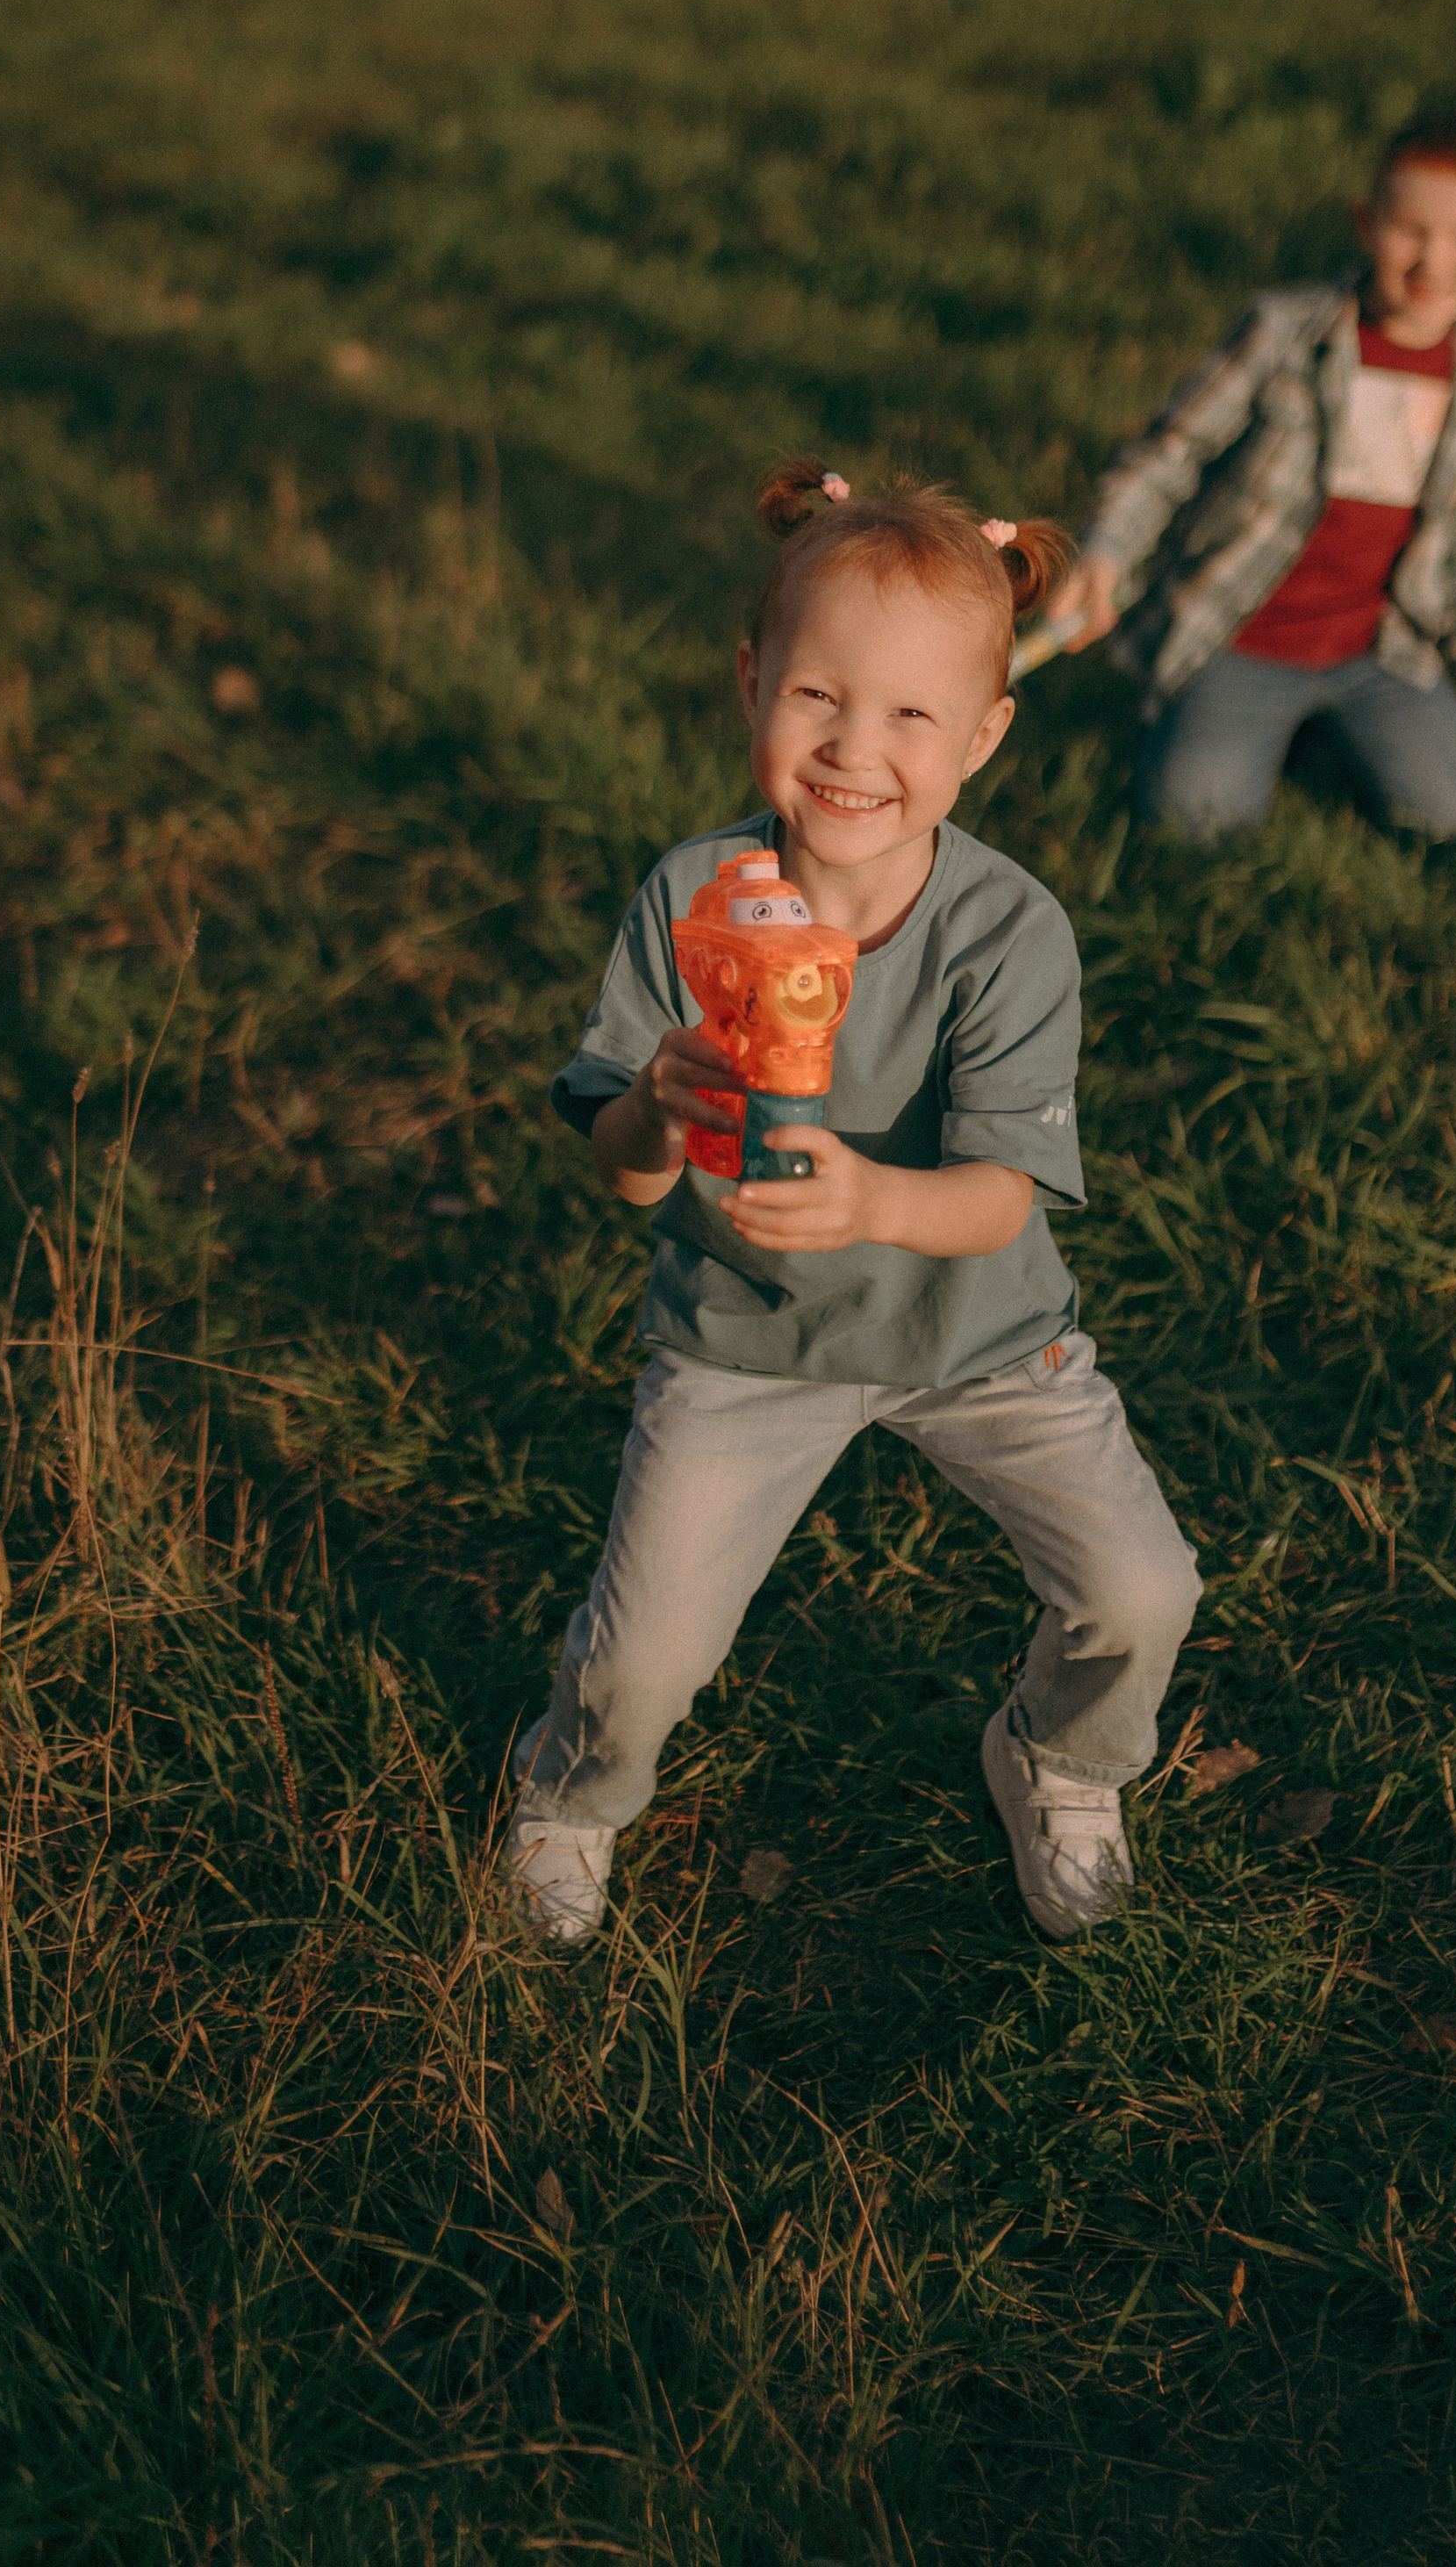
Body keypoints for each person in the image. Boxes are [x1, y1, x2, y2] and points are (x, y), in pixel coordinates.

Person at [505, 462, 1201, 1949]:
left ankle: (1060, 1757)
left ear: (986, 738)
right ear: (754, 678)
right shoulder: (699, 895)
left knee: (1142, 1587)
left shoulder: (1007, 931)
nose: (855, 747)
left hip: (978, 1332)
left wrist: (878, 1193)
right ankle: (572, 1789)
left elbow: (1001, 1200)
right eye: (820, 693)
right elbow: (623, 1166)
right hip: (742, 1338)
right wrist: (657, 1109)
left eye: (909, 715)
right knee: (642, 1661)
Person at [1060, 111, 1456, 842]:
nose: (1434, 261)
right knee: (1195, 826)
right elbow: (1171, 453)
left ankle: (1318, 730)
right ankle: (1216, 719)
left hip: (1376, 646)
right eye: (1411, 230)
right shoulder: (1284, 331)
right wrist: (1107, 550)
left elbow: (1454, 538)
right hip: (1243, 632)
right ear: (1367, 224)